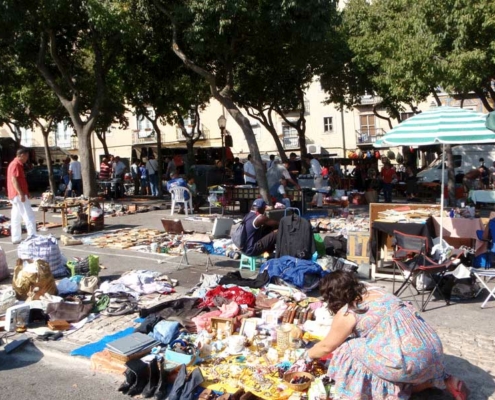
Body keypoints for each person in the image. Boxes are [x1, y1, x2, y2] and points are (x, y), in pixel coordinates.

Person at [305, 271, 469, 400]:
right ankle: (439, 380)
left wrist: (306, 356)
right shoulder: (379, 292)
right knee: (379, 350)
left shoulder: (349, 312)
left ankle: (372, 394)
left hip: (410, 364)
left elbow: (327, 345)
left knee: (349, 348)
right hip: (433, 353)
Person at [7, 148, 37, 244]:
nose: (27, 158)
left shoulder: (14, 164)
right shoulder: (16, 165)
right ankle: (32, 236)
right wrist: (21, 193)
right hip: (18, 194)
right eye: (26, 156)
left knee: (16, 216)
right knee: (28, 215)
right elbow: (14, 180)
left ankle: (16, 237)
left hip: (14, 194)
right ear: (21, 155)